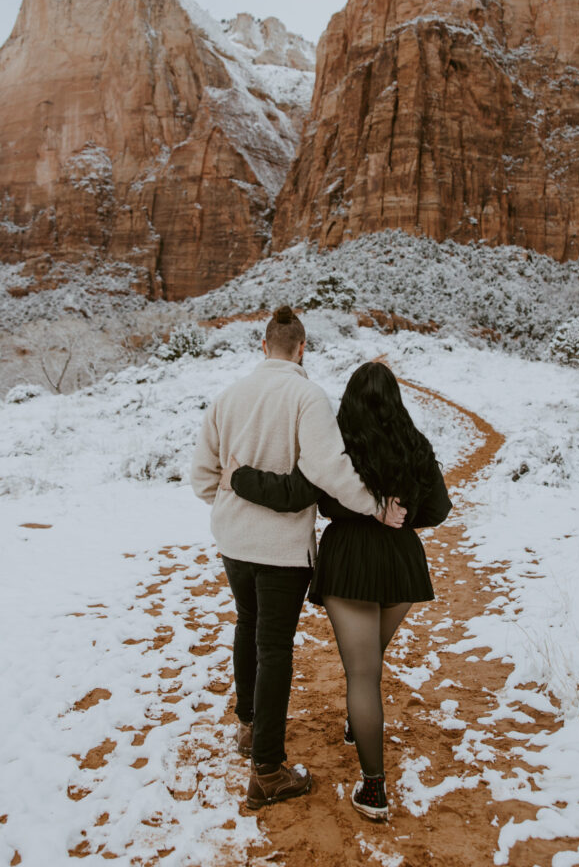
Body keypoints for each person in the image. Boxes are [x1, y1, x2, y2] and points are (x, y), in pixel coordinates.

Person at [190, 307, 405, 811]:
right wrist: (375, 507)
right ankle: (266, 769)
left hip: (234, 542)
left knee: (248, 626)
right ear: (301, 349)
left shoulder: (227, 398)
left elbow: (203, 476)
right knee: (275, 649)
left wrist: (230, 500)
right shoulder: (307, 396)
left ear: (264, 347)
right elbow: (330, 469)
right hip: (282, 548)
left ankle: (248, 728)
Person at [225, 361, 452, 821]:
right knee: (370, 664)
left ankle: (374, 788)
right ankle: (361, 732)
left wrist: (238, 477)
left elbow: (306, 495)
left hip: (349, 561)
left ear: (347, 400)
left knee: (362, 674)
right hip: (401, 564)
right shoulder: (415, 444)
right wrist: (402, 516)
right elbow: (439, 508)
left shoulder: (338, 445)